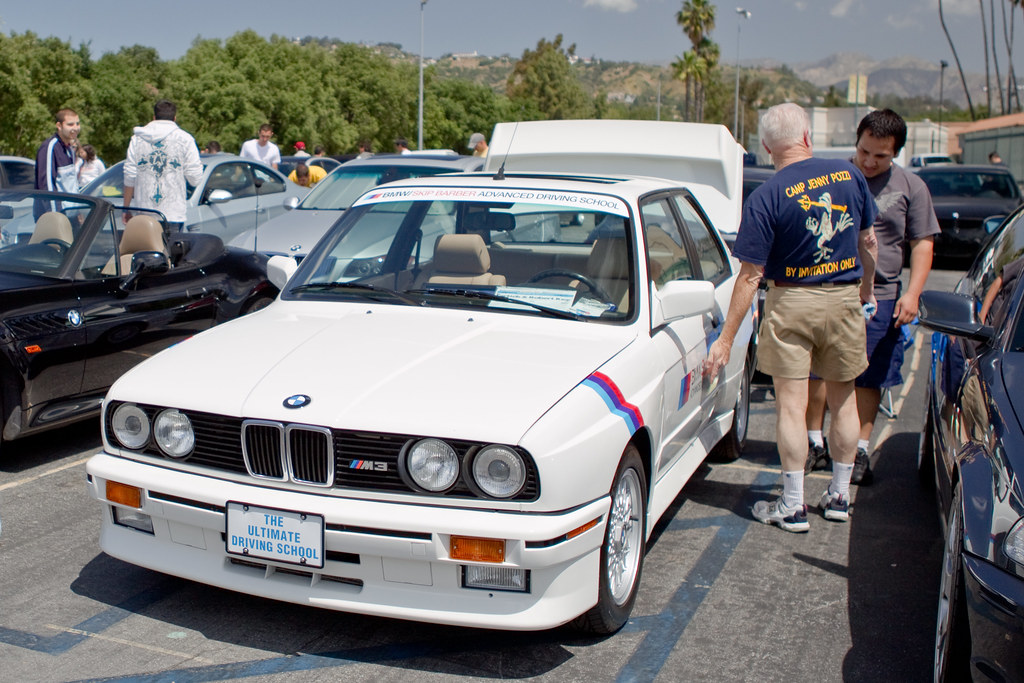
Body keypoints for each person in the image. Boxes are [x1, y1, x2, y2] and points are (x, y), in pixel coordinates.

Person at [705, 103, 878, 532]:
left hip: (790, 303)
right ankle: (839, 496)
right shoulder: (849, 175)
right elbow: (869, 242)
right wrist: (866, 291)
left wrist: (726, 338)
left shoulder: (765, 195)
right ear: (807, 137)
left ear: (766, 147)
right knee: (843, 400)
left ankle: (794, 504)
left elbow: (749, 277)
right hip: (842, 298)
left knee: (791, 406)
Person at [805, 109, 939, 485]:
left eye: (880, 156)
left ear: (896, 153)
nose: (869, 161)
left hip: (879, 297)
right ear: (857, 140)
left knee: (868, 376)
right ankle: (814, 442)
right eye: (864, 151)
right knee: (816, 372)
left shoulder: (912, 188)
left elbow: (922, 244)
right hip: (827, 289)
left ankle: (859, 449)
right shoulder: (829, 178)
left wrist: (912, 294)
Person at [123, 100, 203, 231]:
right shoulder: (185, 139)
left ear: (154, 117)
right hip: (173, 213)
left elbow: (130, 176)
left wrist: (126, 208)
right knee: (169, 251)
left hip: (144, 212)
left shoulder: (138, 139)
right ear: (175, 118)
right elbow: (195, 179)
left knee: (145, 251)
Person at [35, 108, 81, 195]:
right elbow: (47, 187)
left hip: (72, 208)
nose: (76, 128)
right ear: (59, 126)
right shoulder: (50, 147)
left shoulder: (70, 149)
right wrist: (54, 209)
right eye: (70, 124)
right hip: (57, 208)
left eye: (77, 124)